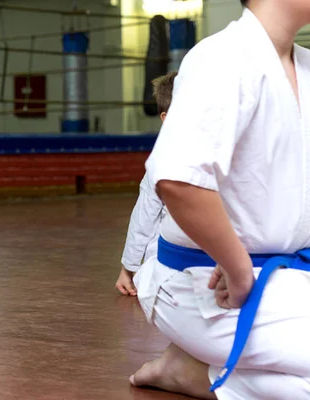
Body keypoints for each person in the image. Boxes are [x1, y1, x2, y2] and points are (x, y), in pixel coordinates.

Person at [129, 0, 310, 398]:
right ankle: (195, 369)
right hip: (209, 285)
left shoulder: (306, 67)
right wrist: (238, 267)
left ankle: (196, 374)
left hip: (289, 280)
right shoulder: (222, 57)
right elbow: (178, 180)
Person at [115, 72, 176, 296]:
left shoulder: (161, 162)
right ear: (165, 117)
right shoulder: (159, 164)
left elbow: (144, 219)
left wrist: (128, 270)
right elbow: (144, 219)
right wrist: (128, 267)